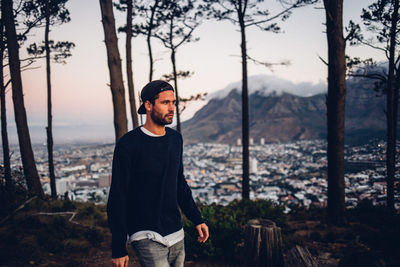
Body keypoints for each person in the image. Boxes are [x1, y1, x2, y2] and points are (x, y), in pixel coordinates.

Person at [107, 80, 209, 267]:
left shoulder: (175, 139)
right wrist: (118, 247)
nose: (172, 108)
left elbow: (179, 183)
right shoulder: (128, 144)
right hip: (145, 233)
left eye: (173, 102)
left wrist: (196, 219)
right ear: (148, 105)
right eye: (165, 102)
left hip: (176, 233)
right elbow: (118, 197)